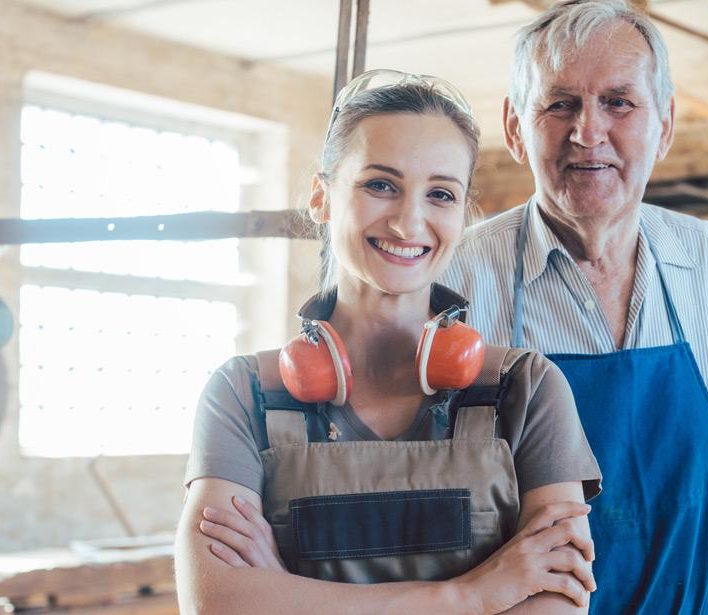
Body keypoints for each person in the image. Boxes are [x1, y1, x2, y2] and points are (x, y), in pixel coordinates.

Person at [438, 1, 708, 613]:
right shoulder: (455, 283)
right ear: (515, 128)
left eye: (619, 102)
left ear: (665, 124)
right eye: (560, 104)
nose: (588, 132)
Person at [174, 70, 603, 614]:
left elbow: (556, 603)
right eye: (380, 185)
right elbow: (218, 604)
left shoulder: (525, 389)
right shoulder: (244, 393)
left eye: (440, 194)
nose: (408, 222)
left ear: (462, 212)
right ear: (322, 197)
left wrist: (285, 595)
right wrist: (471, 594)